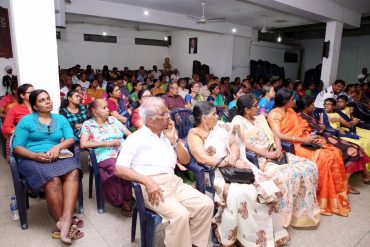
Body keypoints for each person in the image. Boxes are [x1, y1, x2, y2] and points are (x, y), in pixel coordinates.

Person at [114, 97, 213, 247]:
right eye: (164, 114)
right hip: (150, 186)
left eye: (168, 113)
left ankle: (195, 243)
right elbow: (119, 169)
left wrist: (174, 141)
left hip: (173, 182)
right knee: (180, 215)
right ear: (150, 120)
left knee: (206, 204)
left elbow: (185, 160)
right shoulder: (135, 139)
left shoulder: (168, 135)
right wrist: (147, 181)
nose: (169, 117)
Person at [188, 101, 290, 246]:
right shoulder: (195, 134)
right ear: (204, 118)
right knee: (241, 194)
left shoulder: (221, 126)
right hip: (214, 172)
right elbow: (202, 158)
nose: (217, 117)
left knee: (265, 187)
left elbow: (236, 142)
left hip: (236, 165)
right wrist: (228, 162)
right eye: (214, 114)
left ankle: (264, 235)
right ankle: (243, 238)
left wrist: (234, 156)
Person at [231, 94, 320, 227]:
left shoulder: (260, 118)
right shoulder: (238, 121)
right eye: (256, 106)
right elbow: (241, 143)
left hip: (276, 154)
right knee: (286, 176)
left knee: (310, 166)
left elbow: (275, 134)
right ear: (246, 110)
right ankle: (282, 219)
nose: (259, 107)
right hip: (260, 159)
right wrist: (267, 154)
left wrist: (278, 149)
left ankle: (301, 213)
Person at [12, 89, 83, 244]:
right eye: (42, 100)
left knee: (74, 171)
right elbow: (17, 147)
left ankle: (64, 222)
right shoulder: (26, 121)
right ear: (35, 106)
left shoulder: (60, 119)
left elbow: (70, 138)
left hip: (56, 154)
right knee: (53, 179)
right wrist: (35, 156)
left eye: (48, 99)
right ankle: (64, 224)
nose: (48, 102)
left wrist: (58, 148)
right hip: (31, 157)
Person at [267, 88, 350, 216]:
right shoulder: (274, 114)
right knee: (324, 157)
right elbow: (279, 135)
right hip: (293, 145)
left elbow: (300, 126)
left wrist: (311, 136)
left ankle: (335, 193)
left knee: (335, 152)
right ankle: (323, 199)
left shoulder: (290, 110)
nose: (294, 101)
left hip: (303, 139)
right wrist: (303, 139)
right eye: (292, 99)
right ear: (285, 101)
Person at [297, 96, 370, 192]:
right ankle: (345, 184)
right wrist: (321, 127)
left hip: (327, 135)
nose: (314, 107)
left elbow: (321, 126)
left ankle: (365, 174)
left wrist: (321, 127)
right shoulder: (302, 117)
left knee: (357, 147)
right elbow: (318, 129)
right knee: (353, 150)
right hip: (322, 138)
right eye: (311, 106)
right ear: (305, 107)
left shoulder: (309, 115)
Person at [80, 99, 133, 216]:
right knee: (117, 169)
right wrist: (105, 143)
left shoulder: (113, 120)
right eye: (103, 108)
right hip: (103, 154)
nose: (108, 110)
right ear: (94, 111)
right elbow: (83, 144)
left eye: (107, 107)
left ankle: (130, 194)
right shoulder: (88, 125)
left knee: (133, 164)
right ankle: (122, 199)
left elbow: (130, 135)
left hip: (122, 151)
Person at [2, 84, 34, 160]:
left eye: (34, 92)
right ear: (22, 95)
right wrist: (19, 131)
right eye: (30, 92)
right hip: (25, 140)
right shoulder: (14, 109)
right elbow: (5, 128)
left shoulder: (38, 107)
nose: (34, 94)